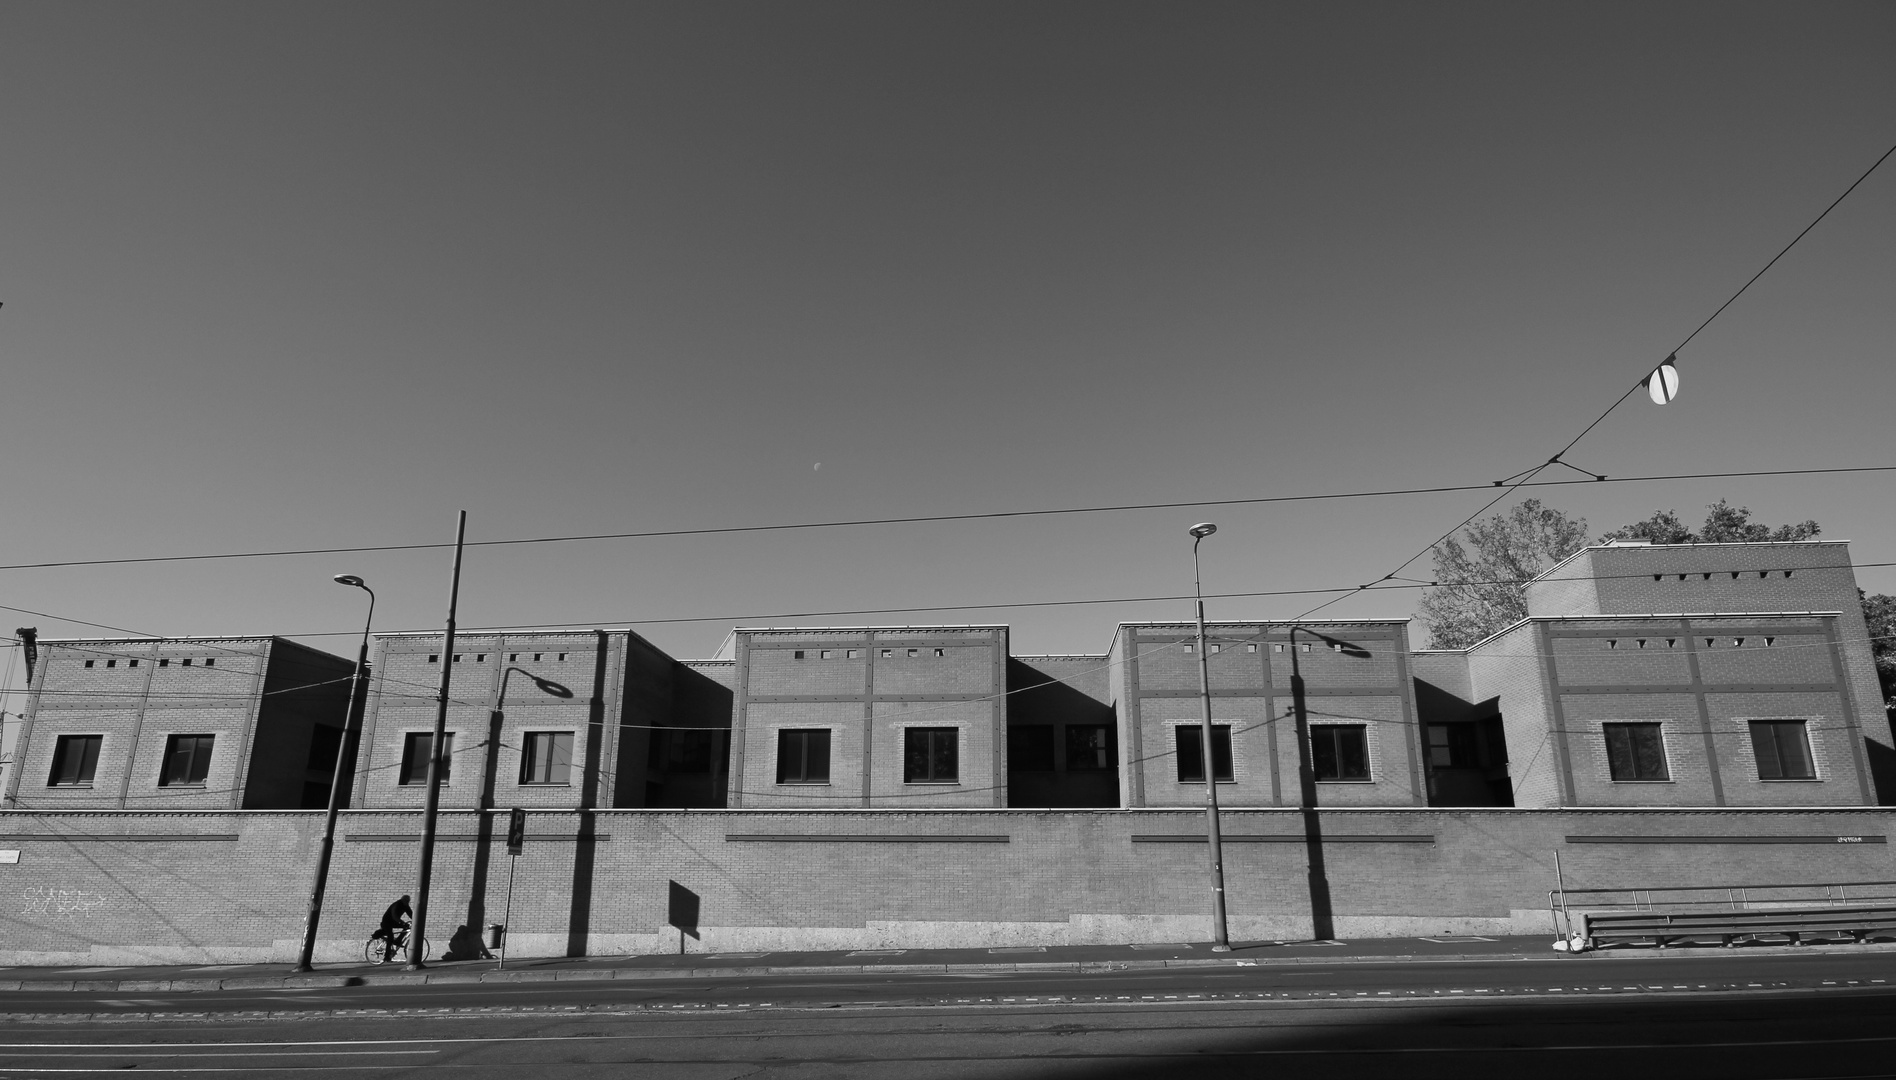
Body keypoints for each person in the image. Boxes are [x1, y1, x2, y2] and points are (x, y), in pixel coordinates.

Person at [376, 894, 412, 962]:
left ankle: (398, 940)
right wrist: (401, 922)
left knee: (406, 927)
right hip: (387, 922)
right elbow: (394, 915)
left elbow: (410, 914)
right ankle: (387, 957)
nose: (407, 903)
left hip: (393, 922)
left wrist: (416, 920)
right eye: (407, 901)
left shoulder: (405, 906)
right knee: (390, 938)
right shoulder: (397, 904)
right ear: (403, 900)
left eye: (408, 902)